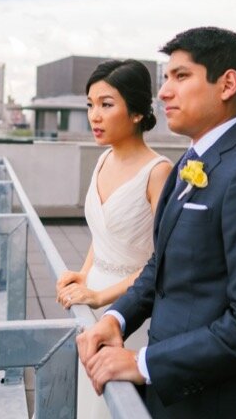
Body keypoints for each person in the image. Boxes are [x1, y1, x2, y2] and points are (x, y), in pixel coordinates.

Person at [77, 27, 236, 419]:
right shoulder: (188, 162)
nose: (164, 92)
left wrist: (143, 364)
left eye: (181, 76)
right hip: (175, 394)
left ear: (227, 84)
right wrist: (116, 318)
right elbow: (160, 267)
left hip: (227, 403)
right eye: (166, 78)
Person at [55, 59, 172, 418]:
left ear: (136, 112)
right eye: (90, 105)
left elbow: (165, 260)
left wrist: (101, 296)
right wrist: (84, 273)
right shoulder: (103, 159)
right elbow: (101, 232)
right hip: (90, 301)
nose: (95, 115)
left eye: (107, 104)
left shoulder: (159, 172)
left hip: (130, 310)